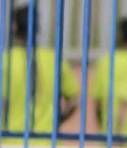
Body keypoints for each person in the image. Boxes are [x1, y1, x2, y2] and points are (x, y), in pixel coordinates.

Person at [1, 5, 79, 136]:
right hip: (48, 143)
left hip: (11, 142)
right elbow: (74, 100)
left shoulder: (5, 60)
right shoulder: (54, 59)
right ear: (37, 27)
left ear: (13, 28)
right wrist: (56, 121)